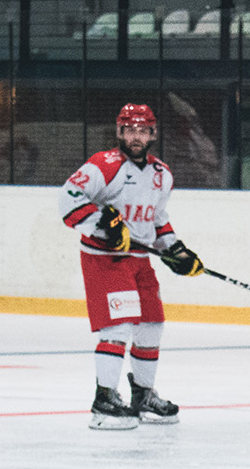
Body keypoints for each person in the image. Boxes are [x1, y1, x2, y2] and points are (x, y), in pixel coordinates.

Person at [55, 102, 204, 430]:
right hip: (105, 260)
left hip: (140, 262)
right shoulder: (102, 165)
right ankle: (104, 399)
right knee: (117, 328)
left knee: (151, 326)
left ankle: (143, 396)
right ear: (119, 132)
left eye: (142, 130)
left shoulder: (162, 175)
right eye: (130, 129)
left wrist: (178, 251)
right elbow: (68, 202)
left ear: (152, 133)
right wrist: (103, 225)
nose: (136, 136)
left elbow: (157, 221)